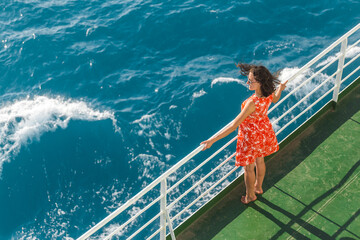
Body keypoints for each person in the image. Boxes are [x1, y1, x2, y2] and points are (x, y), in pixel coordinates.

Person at [201, 63, 287, 204]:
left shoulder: (251, 103)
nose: (247, 82)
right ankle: (258, 187)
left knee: (248, 169)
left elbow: (234, 125)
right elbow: (276, 99)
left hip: (251, 137)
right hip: (263, 131)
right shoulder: (269, 92)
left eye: (251, 81)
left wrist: (212, 140)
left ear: (259, 83)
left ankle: (250, 196)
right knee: (260, 160)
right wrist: (280, 89)